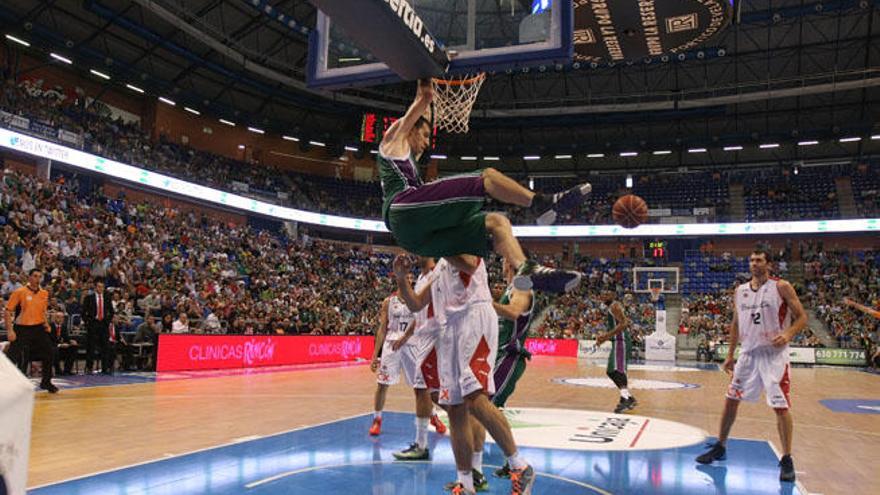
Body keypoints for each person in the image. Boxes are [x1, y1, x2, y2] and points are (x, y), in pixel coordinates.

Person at [378, 80, 585, 294]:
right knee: (487, 176)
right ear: (411, 129)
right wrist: (426, 70)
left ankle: (525, 268)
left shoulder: (409, 154)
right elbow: (424, 98)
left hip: (417, 239)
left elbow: (425, 114)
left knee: (497, 222)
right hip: (403, 210)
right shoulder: (393, 141)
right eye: (425, 135)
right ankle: (539, 203)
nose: (427, 143)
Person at [394, 255, 536, 495]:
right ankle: (467, 482)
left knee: (476, 399)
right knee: (456, 407)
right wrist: (400, 278)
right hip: (449, 329)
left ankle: (518, 464)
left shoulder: (464, 245)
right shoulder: (440, 267)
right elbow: (416, 304)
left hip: (474, 321)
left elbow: (470, 263)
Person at [696, 249, 807, 483]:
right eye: (752, 260)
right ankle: (721, 445)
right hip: (747, 354)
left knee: (780, 406)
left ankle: (787, 458)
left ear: (768, 264)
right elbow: (736, 323)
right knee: (730, 400)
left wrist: (788, 334)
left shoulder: (781, 287)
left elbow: (802, 317)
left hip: (773, 356)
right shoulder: (741, 291)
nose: (754, 263)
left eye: (759, 260)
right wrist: (729, 354)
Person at [392, 256, 448, 461]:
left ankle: (423, 445)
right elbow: (417, 313)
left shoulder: (438, 273)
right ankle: (422, 443)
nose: (414, 253)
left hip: (435, 337)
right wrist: (406, 337)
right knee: (429, 393)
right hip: (422, 337)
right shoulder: (421, 278)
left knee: (426, 390)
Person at [368, 286, 416, 436]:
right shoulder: (388, 301)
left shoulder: (417, 300)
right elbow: (382, 328)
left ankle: (432, 416)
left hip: (411, 344)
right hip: (391, 346)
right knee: (382, 384)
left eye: (410, 278)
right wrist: (375, 355)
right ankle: (377, 419)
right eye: (405, 278)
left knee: (420, 386)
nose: (408, 281)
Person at [5, 268, 57, 392]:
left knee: (49, 352)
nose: (37, 279)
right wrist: (10, 331)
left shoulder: (44, 293)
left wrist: (46, 324)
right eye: (34, 276)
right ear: (29, 277)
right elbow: (7, 311)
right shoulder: (19, 292)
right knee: (12, 356)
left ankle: (46, 382)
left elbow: (42, 311)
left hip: (38, 328)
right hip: (22, 328)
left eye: (39, 276)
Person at [595, 289, 637, 413]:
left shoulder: (615, 305)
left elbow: (624, 323)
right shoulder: (611, 307)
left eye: (608, 294)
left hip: (621, 342)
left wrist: (606, 336)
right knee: (610, 371)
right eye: (603, 294)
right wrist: (605, 338)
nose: (604, 296)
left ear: (613, 295)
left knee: (617, 371)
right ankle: (628, 397)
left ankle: (626, 399)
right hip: (617, 342)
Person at [82, 280, 115, 374]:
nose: (101, 289)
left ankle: (105, 368)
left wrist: (107, 321)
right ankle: (89, 367)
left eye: (102, 287)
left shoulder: (107, 298)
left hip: (103, 324)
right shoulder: (89, 298)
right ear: (95, 288)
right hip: (93, 324)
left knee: (105, 346)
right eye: (99, 287)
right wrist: (87, 323)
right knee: (91, 347)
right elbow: (83, 312)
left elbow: (111, 312)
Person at [49, 310, 78, 376]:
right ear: (54, 318)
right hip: (52, 348)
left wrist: (71, 341)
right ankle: (58, 370)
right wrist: (59, 345)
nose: (60, 319)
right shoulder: (50, 327)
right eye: (58, 317)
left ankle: (67, 370)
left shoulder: (64, 327)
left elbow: (66, 338)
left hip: (62, 348)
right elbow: (48, 341)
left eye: (62, 317)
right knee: (54, 349)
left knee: (73, 347)